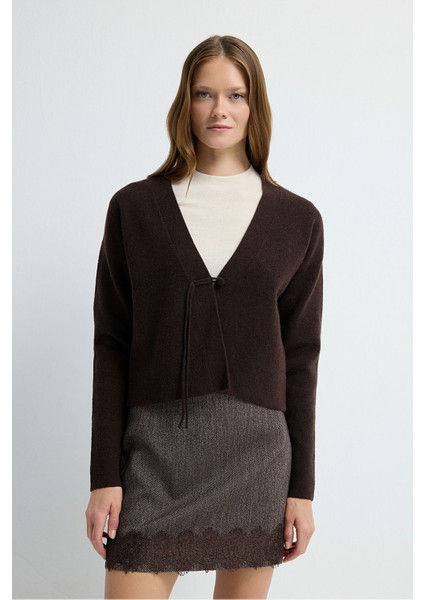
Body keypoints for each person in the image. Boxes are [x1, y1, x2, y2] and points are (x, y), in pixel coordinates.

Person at [85, 34, 324, 600]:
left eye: (236, 95)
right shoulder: (134, 209)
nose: (220, 109)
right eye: (204, 94)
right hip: (155, 456)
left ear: (255, 105)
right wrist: (104, 477)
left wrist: (302, 489)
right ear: (184, 103)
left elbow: (301, 357)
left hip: (257, 458)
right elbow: (111, 344)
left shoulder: (298, 220)